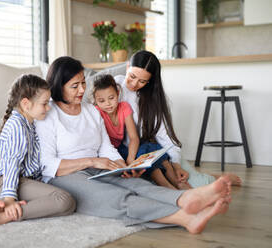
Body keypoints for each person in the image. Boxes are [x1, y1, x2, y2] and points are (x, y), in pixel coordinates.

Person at [36, 56, 232, 234]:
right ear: (59, 86)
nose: (82, 90)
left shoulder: (92, 111)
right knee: (115, 196)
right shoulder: (48, 114)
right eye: (74, 86)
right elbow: (46, 164)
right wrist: (92, 161)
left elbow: (106, 147)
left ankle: (186, 199)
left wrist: (123, 165)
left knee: (137, 183)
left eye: (83, 83)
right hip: (64, 176)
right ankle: (184, 218)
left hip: (98, 167)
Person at [114, 50, 242, 187]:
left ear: (150, 82)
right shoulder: (115, 87)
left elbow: (164, 135)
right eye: (132, 76)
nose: (134, 84)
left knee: (194, 182)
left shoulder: (151, 99)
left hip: (156, 150)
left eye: (142, 81)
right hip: (132, 152)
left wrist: (176, 165)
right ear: (127, 67)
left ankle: (215, 177)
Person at [0, 74, 76, 231]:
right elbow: (11, 164)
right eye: (44, 104)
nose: (48, 108)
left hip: (24, 183)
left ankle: (10, 209)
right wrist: (9, 198)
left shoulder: (30, 124)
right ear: (26, 104)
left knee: (68, 206)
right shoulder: (17, 126)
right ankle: (4, 215)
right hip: (10, 182)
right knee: (64, 200)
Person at [91, 74, 187, 190]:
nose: (108, 103)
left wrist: (131, 160)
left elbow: (134, 138)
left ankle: (178, 182)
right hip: (112, 152)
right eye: (101, 101)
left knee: (150, 147)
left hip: (123, 147)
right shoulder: (96, 113)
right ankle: (168, 187)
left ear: (117, 93)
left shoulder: (124, 107)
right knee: (142, 154)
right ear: (95, 101)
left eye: (111, 98)